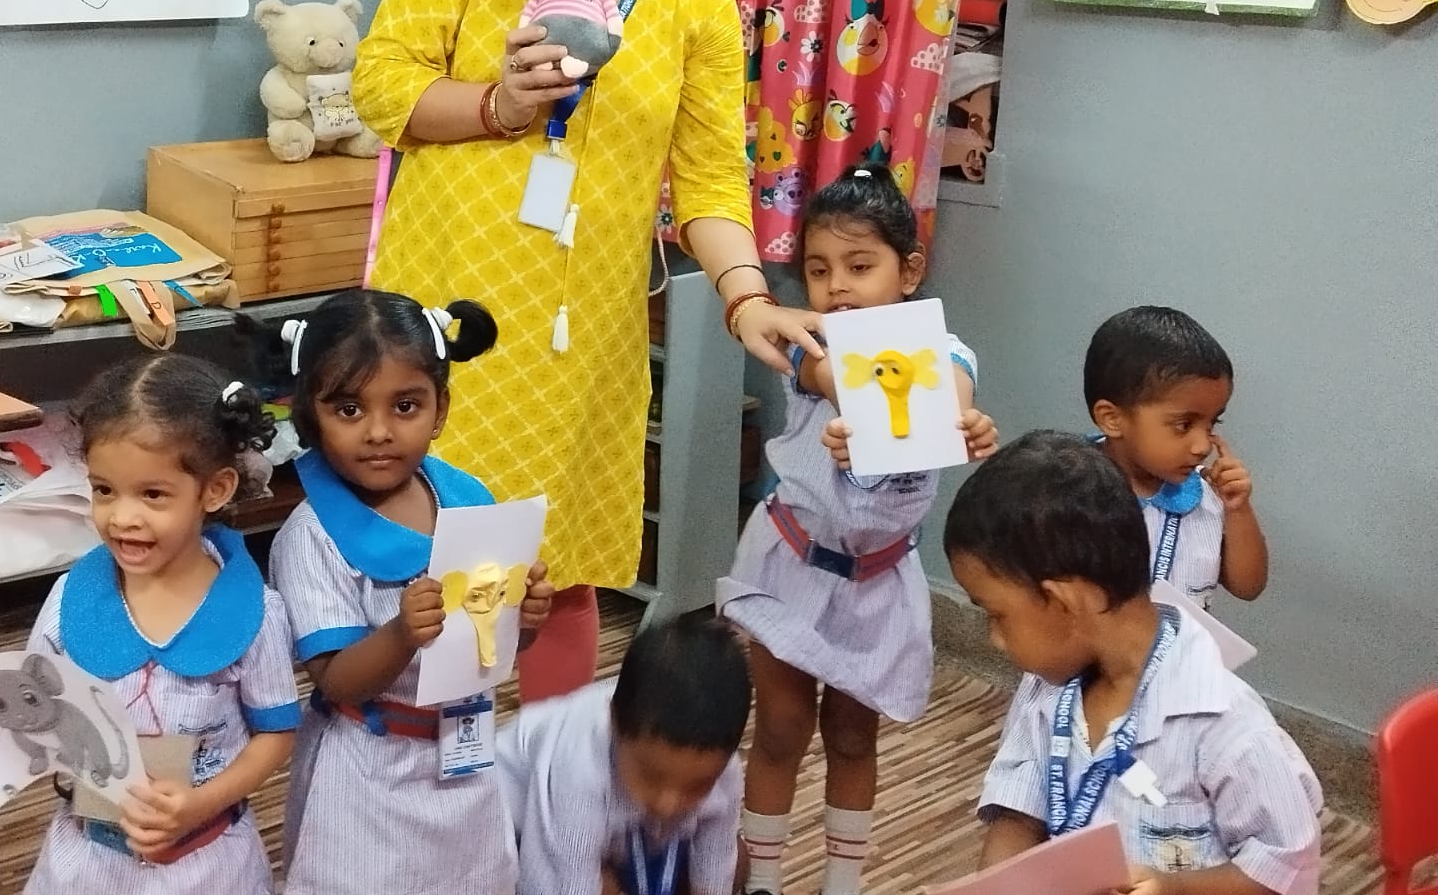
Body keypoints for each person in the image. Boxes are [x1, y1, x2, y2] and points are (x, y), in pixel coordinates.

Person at [350, 0, 824, 702]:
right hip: (453, 317)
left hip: (584, 339)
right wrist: (498, 106)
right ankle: (422, 772)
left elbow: (708, 178)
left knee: (557, 570)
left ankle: (547, 777)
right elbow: (382, 88)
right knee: (434, 568)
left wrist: (746, 298)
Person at [0, 357, 302, 894]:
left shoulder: (255, 612)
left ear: (214, 490)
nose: (122, 517)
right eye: (104, 490)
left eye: (153, 494)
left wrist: (200, 803)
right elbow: (32, 717)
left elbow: (276, 734)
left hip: (210, 865)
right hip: (85, 860)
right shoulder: (70, 601)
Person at [717, 165, 999, 895]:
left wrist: (961, 421)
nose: (837, 286)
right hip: (789, 563)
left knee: (851, 734)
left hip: (877, 583)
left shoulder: (948, 355)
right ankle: (762, 882)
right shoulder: (809, 347)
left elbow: (950, 390)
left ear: (910, 271)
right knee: (780, 729)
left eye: (859, 266)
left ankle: (842, 882)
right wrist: (881, 411)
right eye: (818, 270)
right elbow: (837, 379)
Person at [267, 288, 555, 895]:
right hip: (366, 772)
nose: (379, 432)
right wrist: (400, 634)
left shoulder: (468, 499)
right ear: (308, 414)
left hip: (464, 755)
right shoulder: (312, 537)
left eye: (405, 406)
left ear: (440, 408)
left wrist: (525, 620)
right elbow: (336, 680)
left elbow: (490, 647)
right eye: (349, 409)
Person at [946, 431, 1322, 894]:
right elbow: (1018, 813)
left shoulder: (1227, 725)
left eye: (997, 614)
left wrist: (1177, 888)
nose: (995, 639)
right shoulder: (1043, 692)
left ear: (1063, 603)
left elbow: (1287, 868)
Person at [499, 615, 750, 895]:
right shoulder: (579, 764)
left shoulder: (721, 766)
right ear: (614, 723)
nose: (667, 804)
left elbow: (716, 868)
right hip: (521, 828)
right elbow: (561, 885)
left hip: (623, 836)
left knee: (737, 860)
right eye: (652, 777)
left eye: (697, 786)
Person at [1085, 306, 1267, 607]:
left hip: (1180, 639)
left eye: (1212, 424)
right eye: (1184, 425)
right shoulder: (1065, 492)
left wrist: (1238, 510)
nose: (1202, 446)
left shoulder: (1208, 495)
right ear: (1112, 419)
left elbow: (1248, 587)